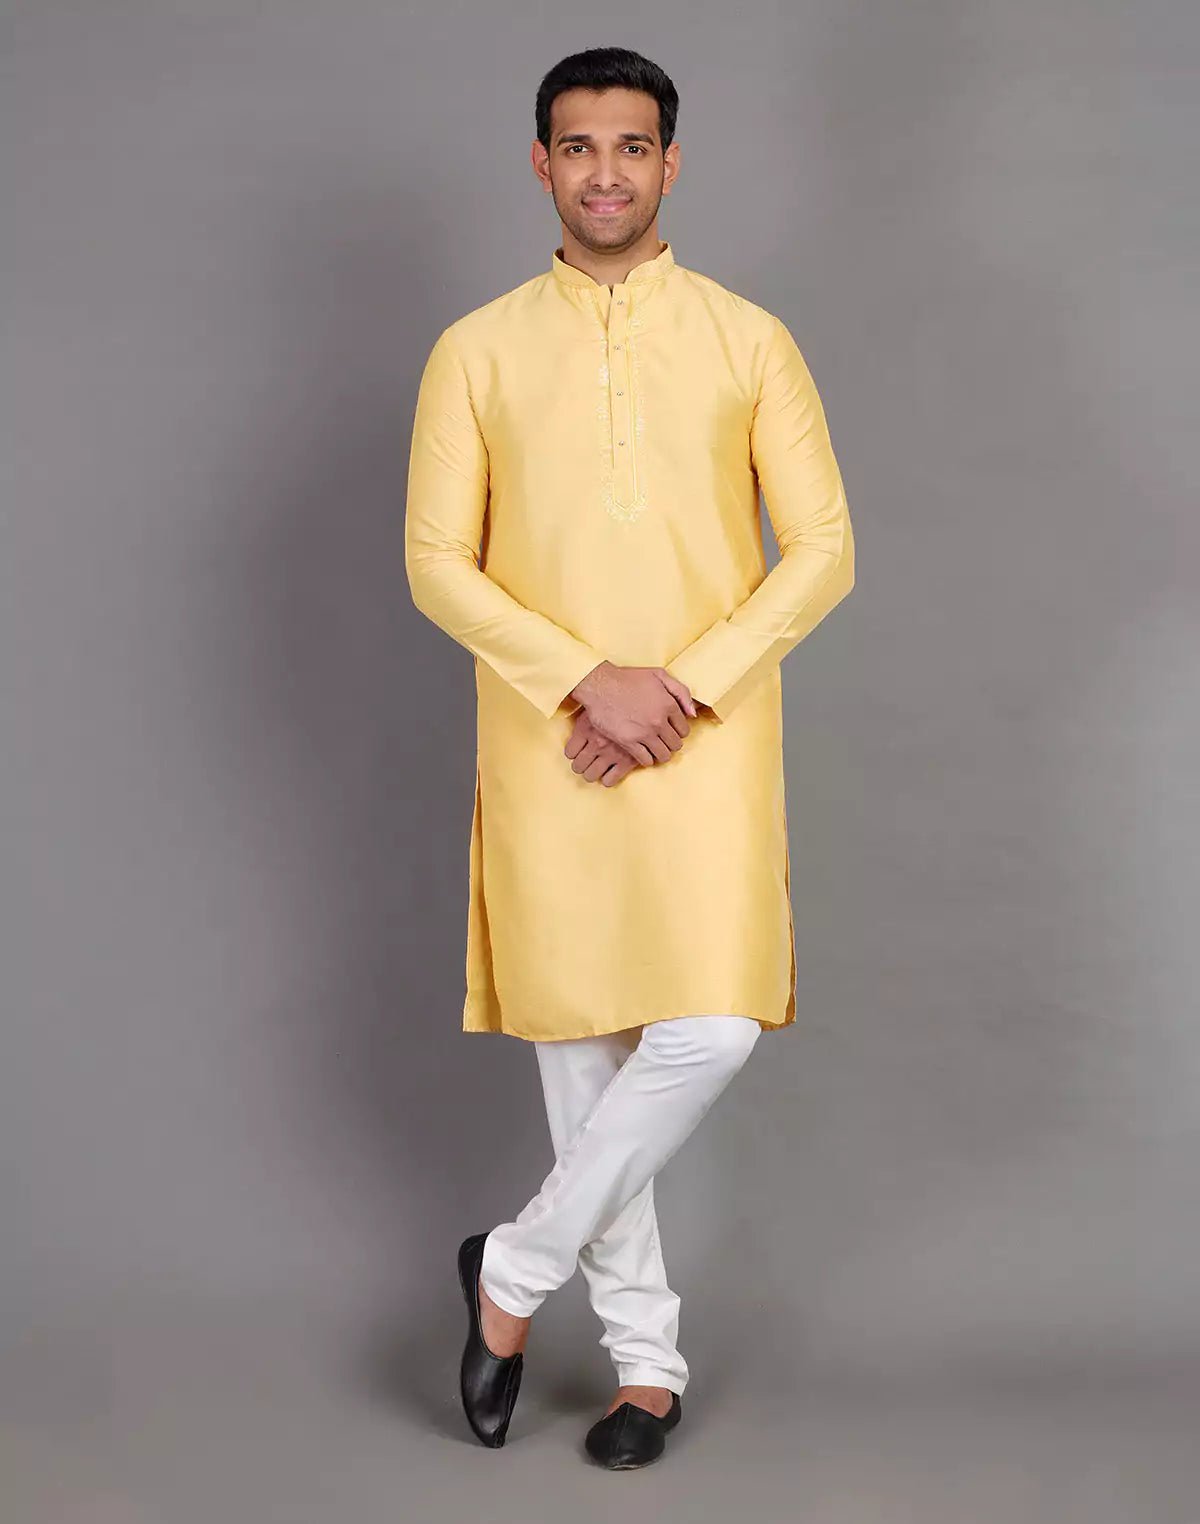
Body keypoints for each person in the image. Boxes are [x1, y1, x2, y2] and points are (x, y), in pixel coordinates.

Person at [406, 46, 855, 1468]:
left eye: (634, 145)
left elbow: (824, 549)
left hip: (703, 740)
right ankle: (647, 1371)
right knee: (583, 1064)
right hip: (553, 740)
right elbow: (436, 563)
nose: (607, 171)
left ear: (672, 162)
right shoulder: (476, 350)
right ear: (542, 163)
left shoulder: (749, 339)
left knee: (708, 1026)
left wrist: (683, 686)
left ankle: (510, 1276)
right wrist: (585, 683)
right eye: (580, 146)